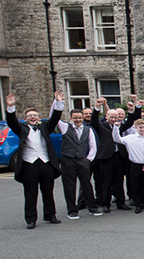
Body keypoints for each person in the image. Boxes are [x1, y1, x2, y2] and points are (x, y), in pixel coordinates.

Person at [5, 91, 64, 229]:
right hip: (29, 164)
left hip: (45, 163)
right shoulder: (21, 129)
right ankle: (31, 219)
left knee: (48, 191)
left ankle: (51, 215)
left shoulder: (44, 127)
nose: (32, 117)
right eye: (29, 116)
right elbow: (11, 122)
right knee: (30, 193)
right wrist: (11, 107)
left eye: (35, 116)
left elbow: (55, 119)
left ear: (39, 118)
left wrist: (59, 103)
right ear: (25, 119)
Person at [55, 105, 102, 219]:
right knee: (69, 186)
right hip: (68, 160)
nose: (78, 120)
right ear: (71, 118)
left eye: (80, 117)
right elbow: (54, 117)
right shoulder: (66, 127)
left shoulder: (88, 130)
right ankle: (72, 210)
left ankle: (92, 208)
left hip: (82, 160)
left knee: (86, 185)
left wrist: (88, 160)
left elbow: (93, 146)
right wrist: (58, 103)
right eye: (75, 118)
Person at [113, 119, 144, 213]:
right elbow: (117, 139)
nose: (142, 129)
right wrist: (116, 128)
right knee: (135, 186)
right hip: (135, 164)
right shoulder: (129, 138)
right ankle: (138, 204)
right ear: (136, 127)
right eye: (140, 127)